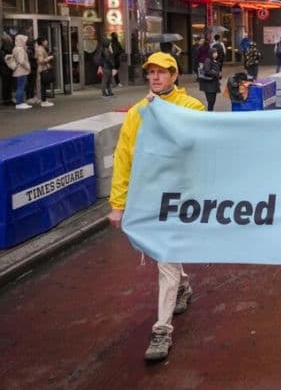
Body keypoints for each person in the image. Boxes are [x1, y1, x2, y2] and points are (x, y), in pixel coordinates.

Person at [107, 52, 206, 361]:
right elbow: (124, 158)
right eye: (151, 72)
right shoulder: (137, 112)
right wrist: (118, 204)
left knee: (165, 257)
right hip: (149, 196)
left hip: (181, 197)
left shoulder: (192, 107)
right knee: (165, 254)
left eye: (161, 72)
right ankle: (183, 285)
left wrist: (160, 114)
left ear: (174, 76)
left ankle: (162, 329)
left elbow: (191, 144)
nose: (155, 77)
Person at [10, 34, 32, 109]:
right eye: (24, 40)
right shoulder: (20, 49)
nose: (25, 42)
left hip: (17, 70)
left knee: (19, 86)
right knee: (21, 87)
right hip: (21, 71)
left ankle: (20, 102)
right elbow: (22, 61)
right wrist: (28, 67)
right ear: (21, 41)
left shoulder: (15, 48)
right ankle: (19, 103)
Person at [34, 37, 54, 107]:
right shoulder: (40, 49)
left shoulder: (40, 48)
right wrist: (49, 57)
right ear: (42, 42)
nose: (47, 42)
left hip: (42, 68)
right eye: (46, 41)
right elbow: (41, 61)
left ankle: (44, 100)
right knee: (43, 85)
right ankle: (43, 101)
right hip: (42, 69)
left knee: (43, 85)